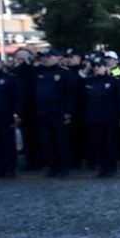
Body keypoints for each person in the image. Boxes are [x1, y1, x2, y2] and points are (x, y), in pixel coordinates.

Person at [30, 49, 73, 177]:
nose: (45, 59)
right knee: (46, 141)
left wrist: (68, 111)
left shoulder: (64, 73)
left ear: (55, 57)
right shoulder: (37, 72)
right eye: (43, 57)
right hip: (42, 112)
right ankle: (52, 166)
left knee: (61, 141)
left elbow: (70, 94)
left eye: (48, 56)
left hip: (58, 112)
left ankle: (63, 167)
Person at [82, 58, 120, 177]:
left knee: (109, 143)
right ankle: (102, 167)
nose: (96, 68)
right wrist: (86, 70)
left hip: (109, 117)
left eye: (99, 66)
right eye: (95, 66)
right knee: (97, 144)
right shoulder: (89, 81)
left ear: (106, 67)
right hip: (94, 117)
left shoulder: (113, 81)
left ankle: (111, 167)